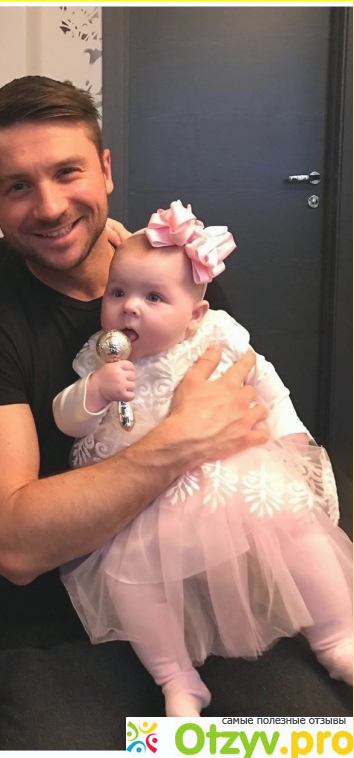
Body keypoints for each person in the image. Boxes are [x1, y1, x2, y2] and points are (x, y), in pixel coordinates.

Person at [0, 75, 351, 749]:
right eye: (16, 186)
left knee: (309, 744)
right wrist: (179, 441)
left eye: (67, 171)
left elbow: (248, 405)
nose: (49, 206)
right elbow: (14, 545)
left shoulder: (175, 268)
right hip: (66, 624)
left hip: (223, 591)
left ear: (105, 169)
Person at [53, 201, 353, 717]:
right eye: (118, 292)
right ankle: (177, 678)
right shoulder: (99, 356)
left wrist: (291, 433)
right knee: (129, 581)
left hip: (231, 478)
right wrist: (94, 393)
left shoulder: (217, 334)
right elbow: (66, 420)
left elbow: (265, 380)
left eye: (153, 297)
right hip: (141, 501)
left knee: (299, 531)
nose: (130, 308)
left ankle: (336, 635)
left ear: (194, 315)